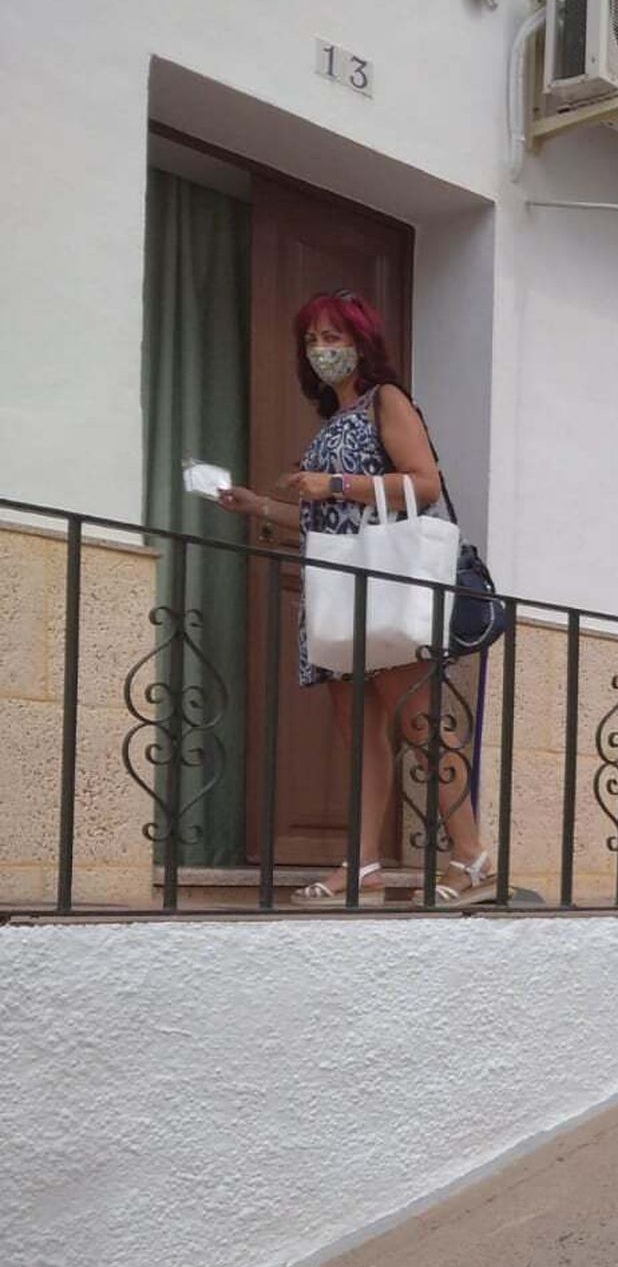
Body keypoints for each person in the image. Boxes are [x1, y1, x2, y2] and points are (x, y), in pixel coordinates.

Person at [219, 291, 491, 906]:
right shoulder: (329, 425)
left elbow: (425, 483)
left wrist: (334, 481)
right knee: (357, 729)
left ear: (362, 342)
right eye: (312, 340)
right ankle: (363, 864)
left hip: (384, 584)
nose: (322, 351)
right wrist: (260, 506)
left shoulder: (385, 402)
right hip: (339, 589)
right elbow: (325, 520)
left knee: (419, 723)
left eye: (332, 337)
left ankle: (472, 857)